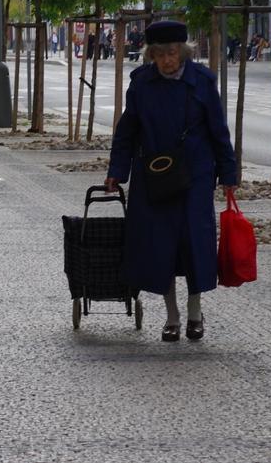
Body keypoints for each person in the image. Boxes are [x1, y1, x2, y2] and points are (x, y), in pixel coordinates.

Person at [104, 20, 237, 343]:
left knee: (194, 245)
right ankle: (172, 317)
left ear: (184, 51)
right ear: (152, 54)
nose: (167, 60)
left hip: (196, 176)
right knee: (159, 246)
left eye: (173, 52)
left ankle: (194, 313)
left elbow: (219, 132)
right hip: (155, 174)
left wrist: (228, 175)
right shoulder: (141, 84)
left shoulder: (202, 82)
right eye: (161, 54)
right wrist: (117, 171)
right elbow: (127, 131)